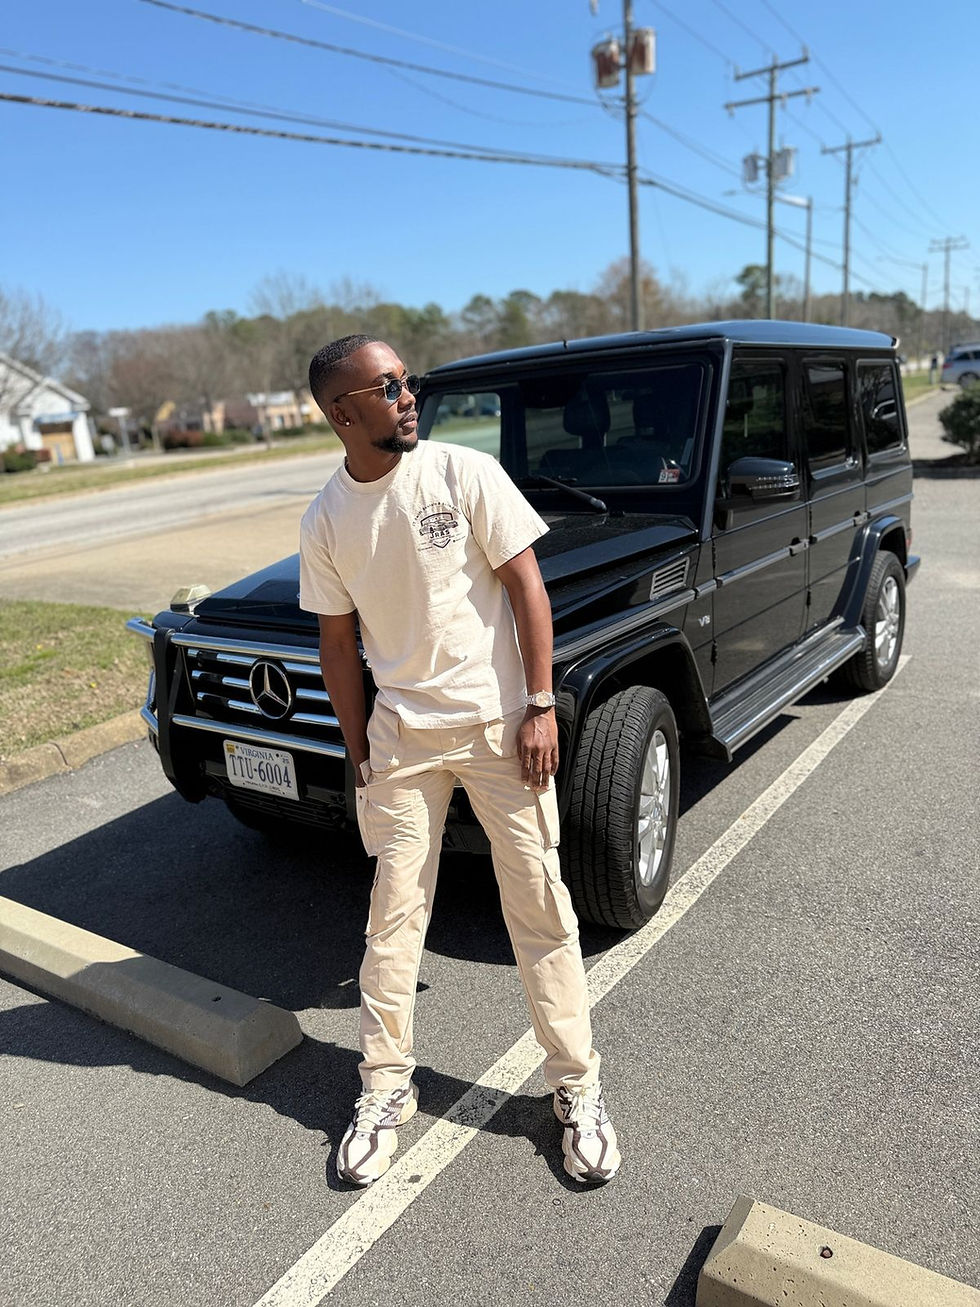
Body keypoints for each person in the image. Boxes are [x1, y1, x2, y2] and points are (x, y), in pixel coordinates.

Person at [299, 334, 620, 1188]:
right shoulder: (326, 517)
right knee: (392, 919)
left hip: (498, 728)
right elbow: (336, 643)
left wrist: (540, 704)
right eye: (388, 386)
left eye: (407, 380)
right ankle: (384, 1088)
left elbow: (527, 586)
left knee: (541, 907)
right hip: (402, 742)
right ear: (342, 411)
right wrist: (358, 745)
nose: (408, 395)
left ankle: (577, 1087)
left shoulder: (462, 473)